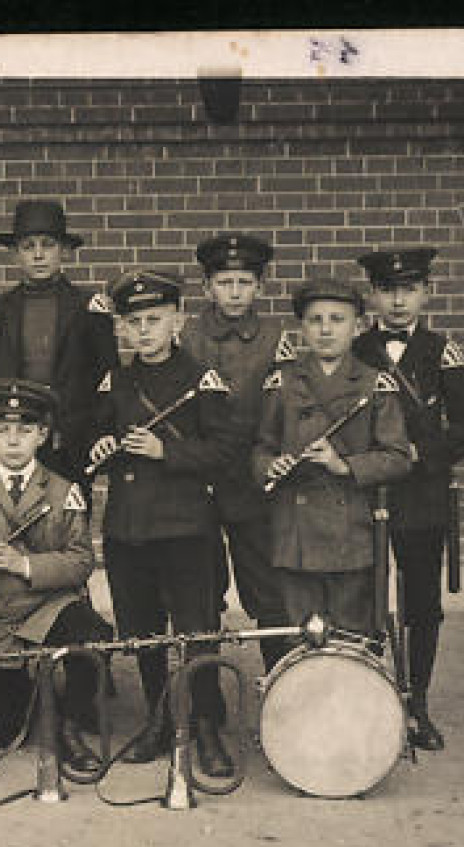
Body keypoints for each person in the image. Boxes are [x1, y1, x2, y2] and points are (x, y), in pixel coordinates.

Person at [86, 270, 237, 777]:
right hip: (129, 527)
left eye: (155, 319)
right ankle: (156, 716)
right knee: (143, 631)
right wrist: (102, 447)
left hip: (186, 526)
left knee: (196, 629)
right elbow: (95, 435)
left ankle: (207, 723)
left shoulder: (202, 379)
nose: (145, 330)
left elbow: (223, 451)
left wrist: (164, 449)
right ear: (122, 328)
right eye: (134, 322)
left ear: (178, 320)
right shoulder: (116, 380)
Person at [0, 379, 112, 777]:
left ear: (42, 436)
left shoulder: (65, 490)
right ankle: (36, 696)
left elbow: (81, 560)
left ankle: (70, 727)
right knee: (4, 732)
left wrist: (26, 566)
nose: (13, 441)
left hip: (46, 608)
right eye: (1, 430)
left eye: (24, 431)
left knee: (94, 637)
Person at [352, 247, 464, 751]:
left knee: (420, 604)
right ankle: (369, 697)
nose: (398, 301)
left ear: (426, 293)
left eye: (408, 289)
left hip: (421, 494)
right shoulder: (358, 350)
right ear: (373, 296)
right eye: (387, 290)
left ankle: (416, 703)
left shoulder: (441, 352)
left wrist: (420, 452)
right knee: (361, 599)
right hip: (364, 492)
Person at [253, 278, 413, 641]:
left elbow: (399, 457)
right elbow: (261, 447)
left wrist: (345, 465)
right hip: (295, 531)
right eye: (315, 320)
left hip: (351, 534)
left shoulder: (375, 384)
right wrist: (269, 465)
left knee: (350, 639)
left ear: (357, 327)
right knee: (301, 638)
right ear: (302, 328)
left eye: (337, 320)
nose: (326, 329)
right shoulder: (282, 382)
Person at [179, 233, 296, 673]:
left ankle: (281, 689)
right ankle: (204, 700)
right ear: (207, 287)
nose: (233, 292)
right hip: (198, 483)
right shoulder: (188, 336)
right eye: (224, 282)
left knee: (268, 589)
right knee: (201, 591)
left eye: (243, 282)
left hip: (252, 481)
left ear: (259, 287)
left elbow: (283, 408)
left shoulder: (274, 339)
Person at [0, 200, 117, 484]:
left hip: (71, 442)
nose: (38, 255)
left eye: (47, 244)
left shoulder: (89, 308)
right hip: (13, 438)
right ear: (16, 255)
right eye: (28, 247)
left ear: (64, 251)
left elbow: (108, 379)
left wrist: (95, 433)